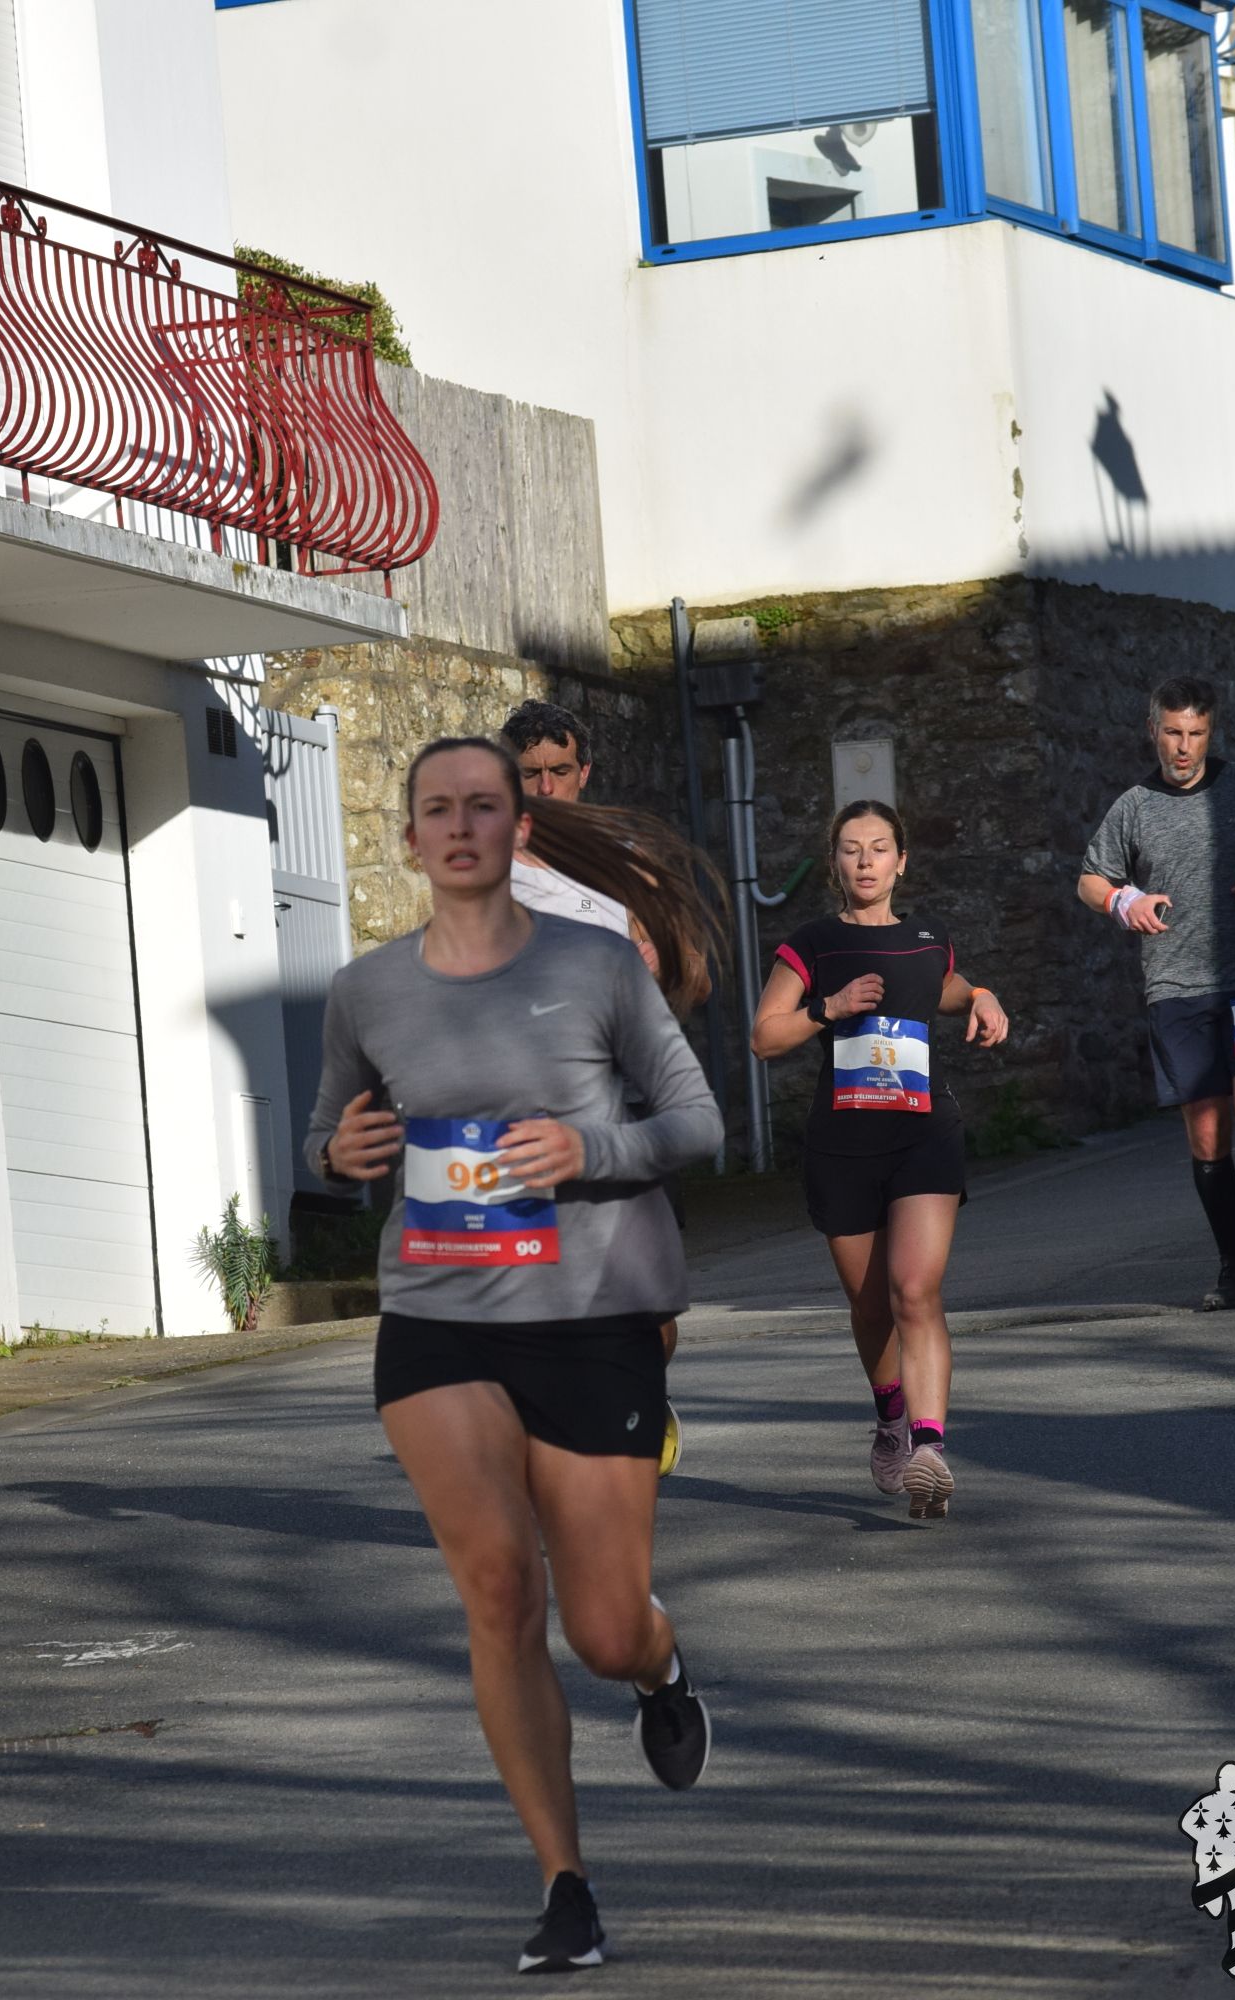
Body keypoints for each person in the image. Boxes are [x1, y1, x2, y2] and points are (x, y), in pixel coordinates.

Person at [304, 737, 723, 1974]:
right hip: (438, 1316)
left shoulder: (595, 963)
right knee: (497, 1585)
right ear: (409, 836)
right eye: (435, 808)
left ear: (517, 829)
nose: (458, 826)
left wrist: (587, 1150)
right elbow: (331, 1128)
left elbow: (696, 1120)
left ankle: (657, 1660)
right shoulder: (366, 988)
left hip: (591, 1316)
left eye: (481, 805)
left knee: (600, 1628)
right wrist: (340, 1153)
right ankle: (564, 1883)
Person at [749, 801, 1010, 1519]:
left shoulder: (928, 937)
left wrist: (981, 995)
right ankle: (891, 1411)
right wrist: (828, 1007)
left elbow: (942, 987)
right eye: (851, 848)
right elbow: (764, 1037)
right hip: (843, 1145)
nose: (865, 861)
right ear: (835, 863)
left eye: (879, 848)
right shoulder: (813, 942)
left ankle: (929, 1448)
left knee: (914, 1291)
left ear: (902, 861)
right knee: (870, 1307)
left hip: (925, 1135)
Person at [1076, 680, 1235, 1313]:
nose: (1184, 747)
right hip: (1176, 989)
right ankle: (1232, 1266)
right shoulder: (1133, 806)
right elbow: (1090, 880)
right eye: (1173, 733)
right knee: (1208, 1134)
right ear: (1152, 730)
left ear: (1211, 732)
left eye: (1196, 734)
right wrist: (1124, 901)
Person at [501, 699, 685, 1480]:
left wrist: (655, 962)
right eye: (528, 774)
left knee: (648, 1304)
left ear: (585, 772)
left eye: (559, 771)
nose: (545, 788)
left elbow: (687, 970)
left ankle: (640, 1388)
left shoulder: (625, 860)